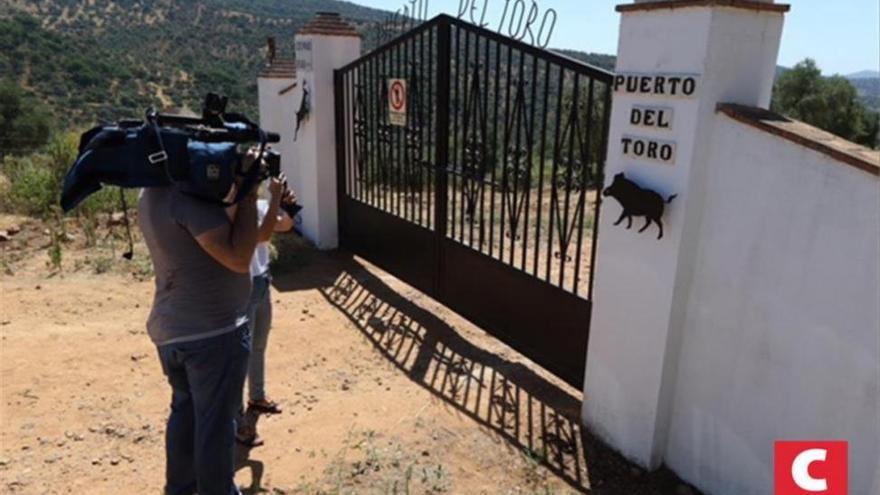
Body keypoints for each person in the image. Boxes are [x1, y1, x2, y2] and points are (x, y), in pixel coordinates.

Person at [138, 148, 276, 495]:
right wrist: (247, 191)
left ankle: (180, 489)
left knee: (185, 414)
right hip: (213, 334)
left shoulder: (153, 191)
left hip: (174, 331)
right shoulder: (187, 199)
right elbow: (239, 256)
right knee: (216, 427)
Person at [235, 175, 295, 447]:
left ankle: (256, 397)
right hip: (240, 286)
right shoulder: (230, 208)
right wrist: (274, 201)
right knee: (238, 354)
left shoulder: (259, 206)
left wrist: (284, 204)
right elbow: (263, 234)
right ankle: (237, 421)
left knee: (258, 346)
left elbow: (285, 225)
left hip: (261, 281)